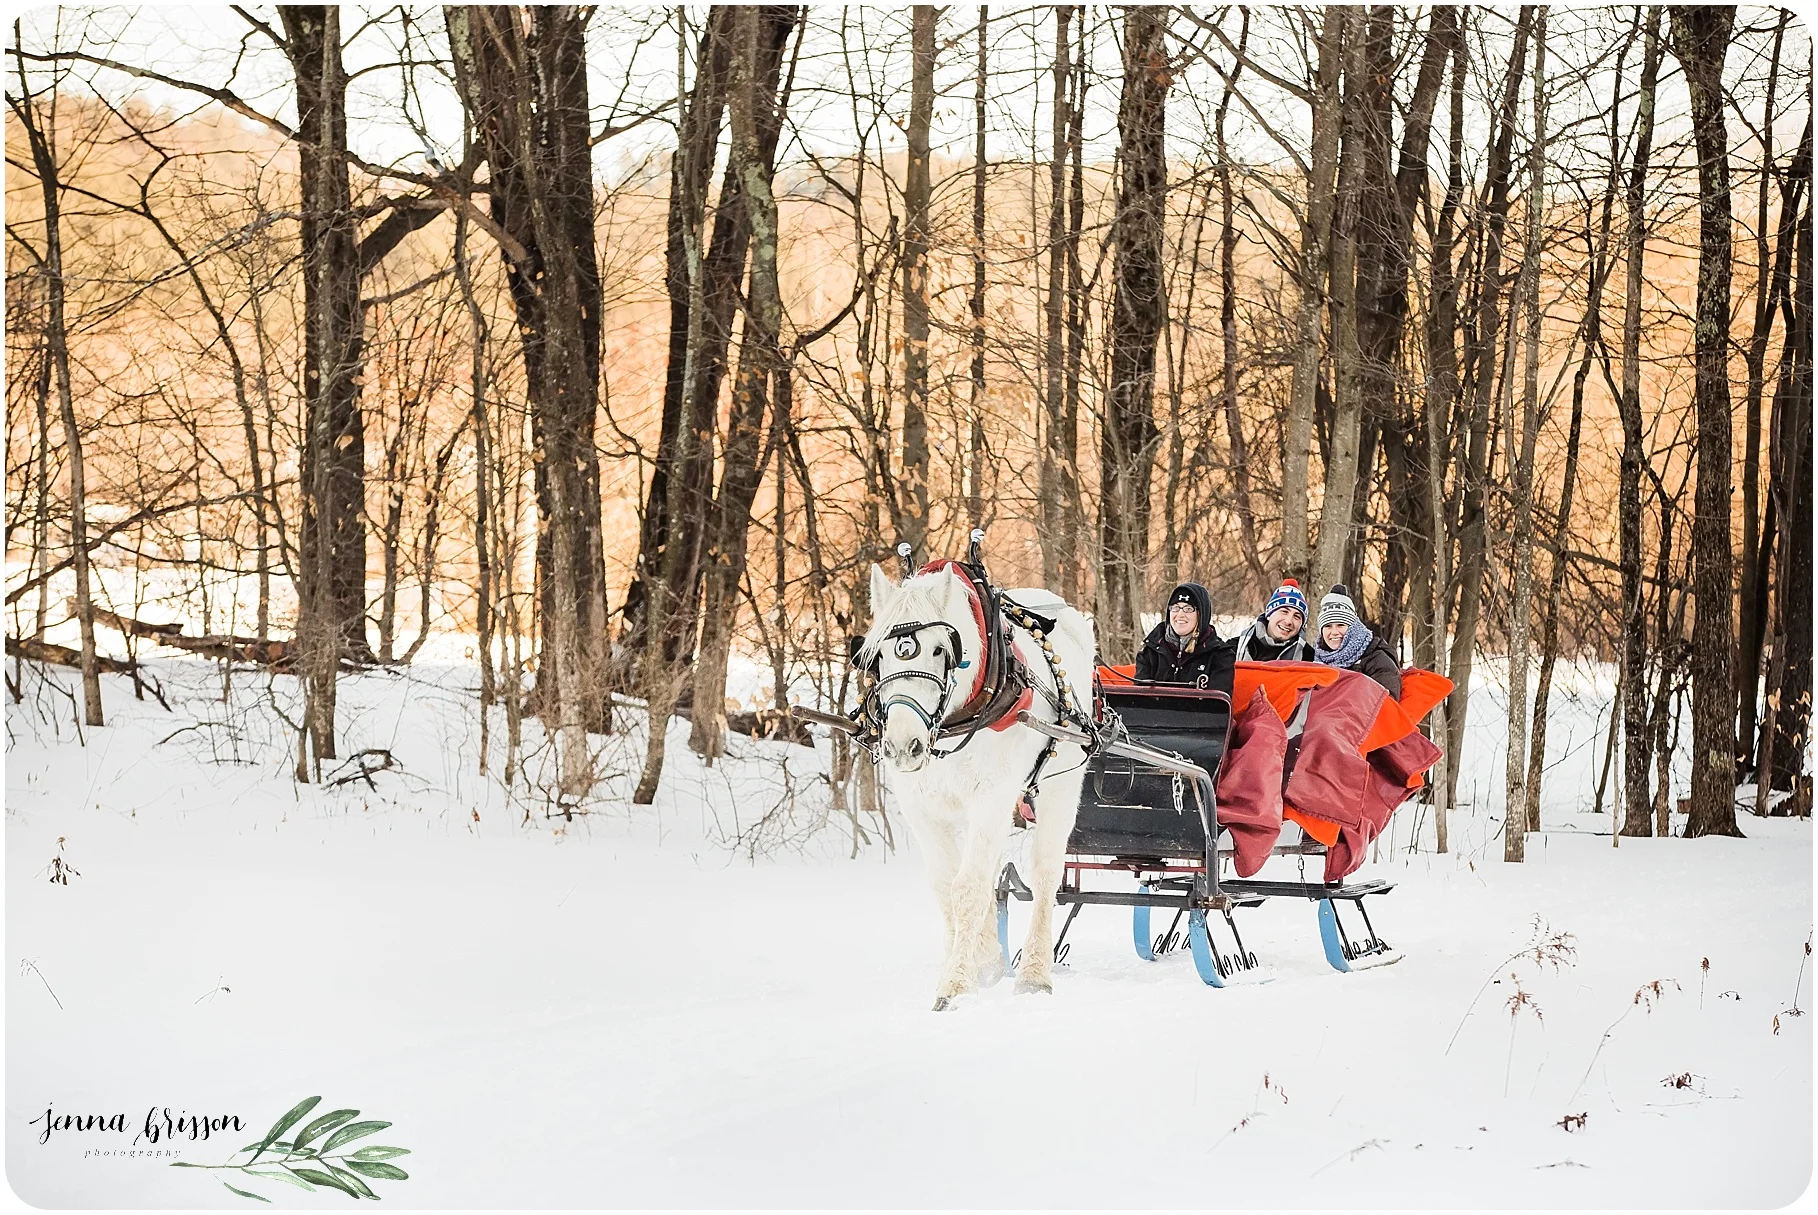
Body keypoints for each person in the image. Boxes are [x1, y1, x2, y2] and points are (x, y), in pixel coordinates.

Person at [1312, 584, 1402, 699]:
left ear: (1352, 627)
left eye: (1340, 625)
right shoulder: (1316, 659)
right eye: (1328, 626)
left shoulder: (1376, 658)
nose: (1334, 632)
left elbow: (1387, 704)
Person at [1135, 582, 1227, 686]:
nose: (1180, 615)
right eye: (1176, 608)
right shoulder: (1151, 649)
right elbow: (1139, 696)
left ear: (1201, 615)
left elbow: (1217, 700)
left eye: (1188, 609)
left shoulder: (1221, 655)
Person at [1233, 578, 1317, 663]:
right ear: (1269, 614)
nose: (1288, 621)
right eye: (1284, 612)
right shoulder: (1234, 648)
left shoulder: (1309, 657)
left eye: (1297, 616)